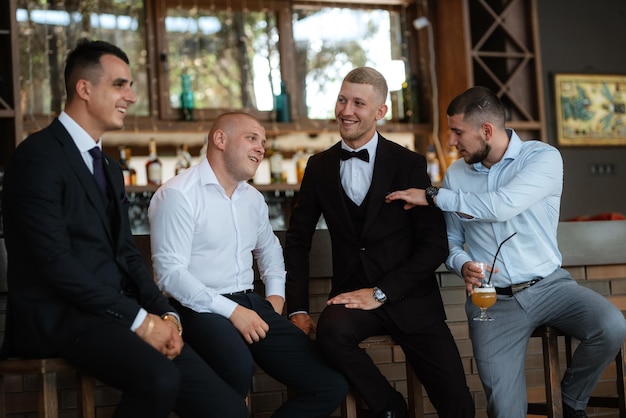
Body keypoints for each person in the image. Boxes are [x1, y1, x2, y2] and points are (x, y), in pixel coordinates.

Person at [0, 39, 246, 418]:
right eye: (120, 84)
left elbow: (126, 253)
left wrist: (166, 316)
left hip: (115, 315)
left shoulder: (110, 167)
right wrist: (140, 322)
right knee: (159, 380)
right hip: (59, 317)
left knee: (228, 409)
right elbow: (54, 263)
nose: (131, 97)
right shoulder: (36, 157)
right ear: (84, 88)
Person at [385, 86, 626, 418]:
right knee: (505, 410)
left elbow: (501, 206)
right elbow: (450, 241)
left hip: (552, 286)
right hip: (493, 301)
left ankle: (572, 401)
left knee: (612, 325)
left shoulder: (542, 158)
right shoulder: (456, 174)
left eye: (457, 132)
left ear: (487, 130)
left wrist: (433, 195)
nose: (452, 142)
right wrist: (461, 263)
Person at [284, 67, 475, 418]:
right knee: (330, 335)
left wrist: (382, 292)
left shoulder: (409, 164)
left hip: (411, 298)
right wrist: (296, 308)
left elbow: (435, 244)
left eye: (358, 102)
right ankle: (390, 409)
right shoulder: (319, 166)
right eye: (342, 99)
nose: (346, 110)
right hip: (352, 296)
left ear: (380, 111)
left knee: (458, 405)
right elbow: (297, 241)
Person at [147, 112, 348, 418]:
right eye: (252, 138)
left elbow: (269, 250)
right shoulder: (177, 195)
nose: (260, 148)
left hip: (250, 302)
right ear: (220, 139)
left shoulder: (252, 198)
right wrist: (234, 312)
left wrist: (276, 297)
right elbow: (170, 276)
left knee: (328, 383)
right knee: (236, 365)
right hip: (195, 307)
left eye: (263, 142)